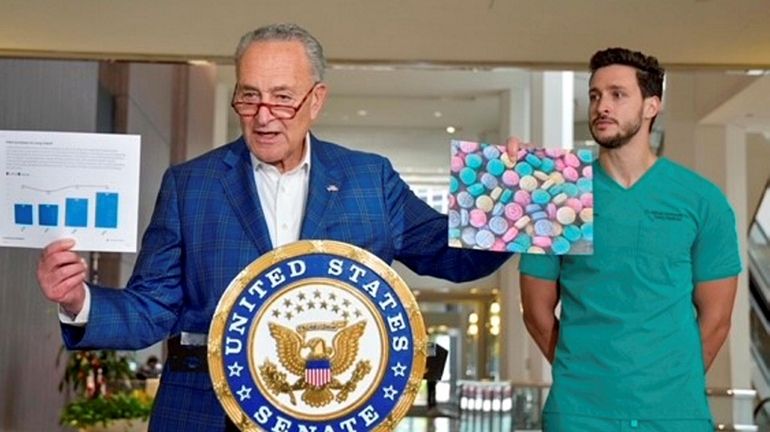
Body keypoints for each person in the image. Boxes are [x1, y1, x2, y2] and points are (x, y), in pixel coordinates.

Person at [36, 23, 515, 431]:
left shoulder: (371, 181)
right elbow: (153, 307)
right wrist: (79, 302)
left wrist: (513, 197)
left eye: (282, 99)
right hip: (206, 414)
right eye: (249, 98)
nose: (264, 117)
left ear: (316, 100)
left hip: (336, 415)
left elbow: (455, 254)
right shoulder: (191, 185)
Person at [519, 47, 741, 431]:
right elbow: (537, 314)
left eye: (617, 94)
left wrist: (668, 387)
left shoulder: (702, 200)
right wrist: (586, 379)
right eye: (594, 95)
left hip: (674, 415)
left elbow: (717, 319)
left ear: (652, 105)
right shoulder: (559, 194)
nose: (602, 105)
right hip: (579, 414)